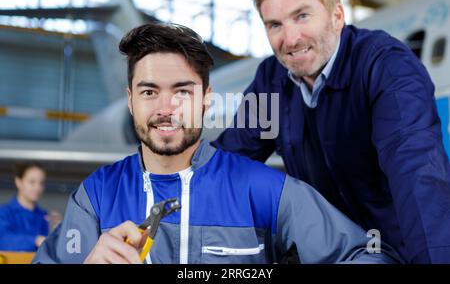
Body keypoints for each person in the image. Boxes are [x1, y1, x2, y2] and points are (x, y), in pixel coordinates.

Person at [33, 22, 401, 264]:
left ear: (206, 100)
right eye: (149, 92)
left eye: (182, 91)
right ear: (131, 100)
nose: (166, 108)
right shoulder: (95, 197)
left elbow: (368, 255)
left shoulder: (263, 190)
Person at [212, 0, 450, 264]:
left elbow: (417, 176)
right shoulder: (272, 80)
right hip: (328, 252)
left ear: (337, 16)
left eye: (302, 16)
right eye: (274, 25)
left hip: (398, 252)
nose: (290, 38)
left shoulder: (386, 66)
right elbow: (229, 163)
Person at [0, 163, 49, 251]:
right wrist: (36, 240)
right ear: (18, 182)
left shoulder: (43, 216)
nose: (38, 187)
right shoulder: (4, 213)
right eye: (32, 182)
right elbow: (4, 241)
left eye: (41, 183)